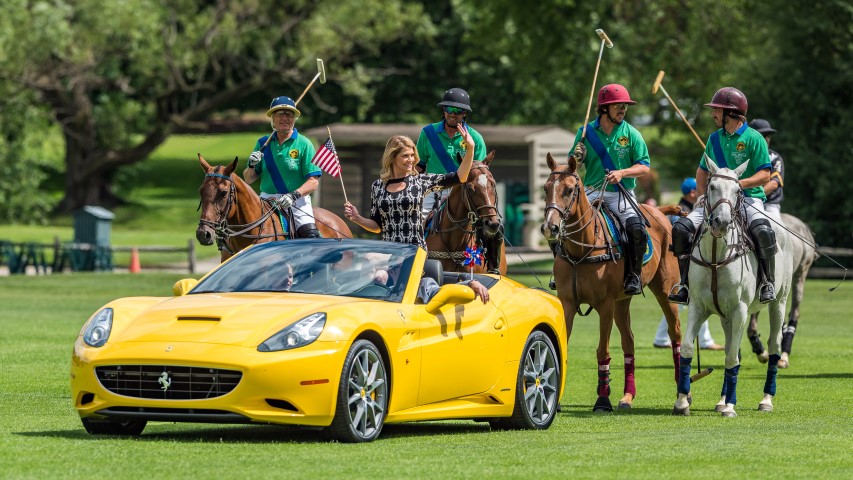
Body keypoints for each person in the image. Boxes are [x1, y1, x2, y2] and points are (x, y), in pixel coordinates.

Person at [345, 130, 489, 304]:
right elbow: (376, 225)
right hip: (389, 251)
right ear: (392, 158)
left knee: (388, 279)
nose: (411, 160)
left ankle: (466, 283)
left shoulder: (419, 182)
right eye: (406, 155)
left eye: (413, 155)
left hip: (413, 251)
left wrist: (470, 149)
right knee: (369, 277)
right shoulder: (378, 187)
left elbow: (460, 177)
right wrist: (357, 218)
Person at [668, 87, 776, 305]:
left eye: (716, 110)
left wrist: (737, 184)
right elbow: (702, 171)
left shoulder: (754, 138)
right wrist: (701, 196)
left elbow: (765, 174)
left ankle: (766, 282)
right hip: (716, 201)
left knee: (763, 231)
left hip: (748, 198)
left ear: (731, 113)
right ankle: (685, 284)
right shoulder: (714, 139)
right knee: (680, 229)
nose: (713, 114)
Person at [571, 84, 651, 295]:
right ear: (604, 108)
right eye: (618, 106)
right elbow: (572, 167)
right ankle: (563, 272)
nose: (623, 110)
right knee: (563, 222)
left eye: (625, 106)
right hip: (592, 191)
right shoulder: (585, 132)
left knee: (637, 229)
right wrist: (576, 157)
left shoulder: (631, 134)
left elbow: (644, 166)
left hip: (621, 194)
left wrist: (622, 173)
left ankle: (633, 276)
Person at [415, 88, 502, 273]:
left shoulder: (475, 138)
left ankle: (493, 266)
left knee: (493, 223)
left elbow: (480, 174)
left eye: (459, 111)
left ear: (465, 114)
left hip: (465, 191)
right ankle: (409, 265)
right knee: (414, 220)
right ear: (443, 110)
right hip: (433, 190)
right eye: (450, 109)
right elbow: (419, 166)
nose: (454, 115)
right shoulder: (428, 133)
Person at [653, 178, 722, 350]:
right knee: (692, 300)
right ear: (692, 192)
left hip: (687, 259)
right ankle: (702, 340)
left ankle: (662, 338)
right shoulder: (683, 210)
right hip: (682, 260)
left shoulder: (689, 207)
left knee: (688, 303)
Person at [243, 96, 322, 238]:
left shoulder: (304, 143)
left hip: (298, 201)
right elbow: (248, 179)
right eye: (280, 114)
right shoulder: (263, 143)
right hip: (266, 200)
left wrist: (293, 195)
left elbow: (313, 182)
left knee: (311, 237)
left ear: (295, 119)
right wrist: (251, 165)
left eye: (289, 114)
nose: (285, 118)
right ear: (272, 118)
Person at [749, 118, 784, 223]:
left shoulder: (775, 158)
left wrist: (755, 196)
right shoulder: (743, 158)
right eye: (762, 136)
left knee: (775, 232)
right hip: (747, 202)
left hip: (769, 205)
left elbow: (773, 184)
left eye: (768, 136)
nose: (766, 139)